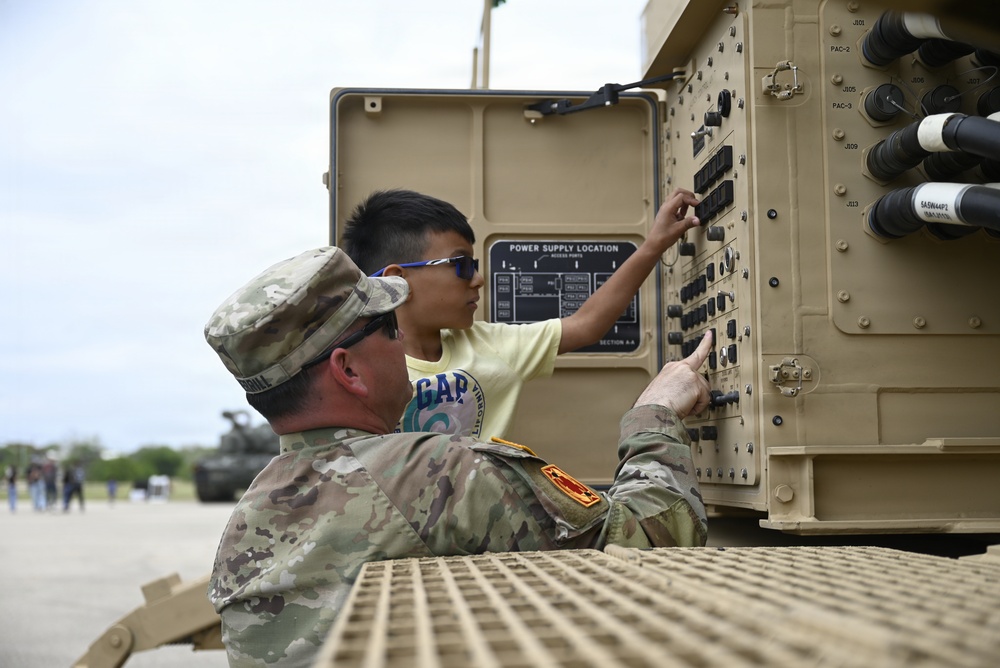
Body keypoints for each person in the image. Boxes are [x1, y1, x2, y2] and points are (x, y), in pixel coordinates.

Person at [204, 246, 712, 667]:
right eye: (389, 327)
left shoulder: (243, 526)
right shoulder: (436, 472)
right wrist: (656, 411)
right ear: (349, 370)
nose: (402, 339)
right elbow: (655, 537)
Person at [342, 188, 701, 439]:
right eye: (461, 265)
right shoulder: (359, 373)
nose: (478, 279)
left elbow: (586, 325)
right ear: (397, 281)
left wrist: (654, 245)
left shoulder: (486, 344)